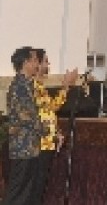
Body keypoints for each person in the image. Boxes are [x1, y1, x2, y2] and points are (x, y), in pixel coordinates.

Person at [31, 49, 78, 203]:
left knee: (40, 186)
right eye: (45, 61)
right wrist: (65, 86)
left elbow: (47, 114)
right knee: (35, 187)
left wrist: (57, 132)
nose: (48, 64)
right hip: (38, 145)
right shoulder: (32, 86)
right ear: (36, 64)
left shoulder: (39, 86)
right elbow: (52, 107)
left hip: (45, 143)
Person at [4, 46, 44, 205]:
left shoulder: (27, 85)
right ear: (25, 62)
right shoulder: (20, 86)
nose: (37, 63)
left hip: (30, 146)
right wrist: (47, 131)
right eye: (34, 60)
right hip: (23, 147)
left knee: (27, 193)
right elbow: (26, 116)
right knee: (17, 193)